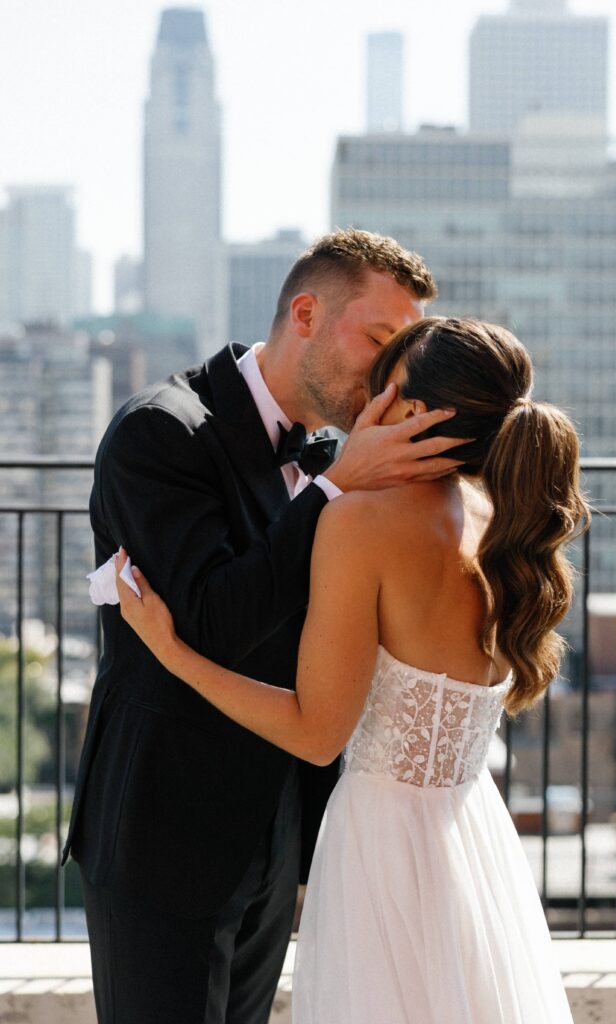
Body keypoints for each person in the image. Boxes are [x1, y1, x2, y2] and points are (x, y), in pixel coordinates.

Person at [115, 316, 590, 1024]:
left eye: (381, 384)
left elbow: (315, 734)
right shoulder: (501, 517)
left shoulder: (360, 523)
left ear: (408, 412)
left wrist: (171, 652)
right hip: (473, 837)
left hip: (382, 847)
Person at [62, 230, 465, 1024]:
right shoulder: (160, 431)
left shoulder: (333, 456)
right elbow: (212, 621)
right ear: (305, 313)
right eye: (378, 341)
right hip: (162, 835)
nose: (388, 373)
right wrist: (335, 491)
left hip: (274, 835)